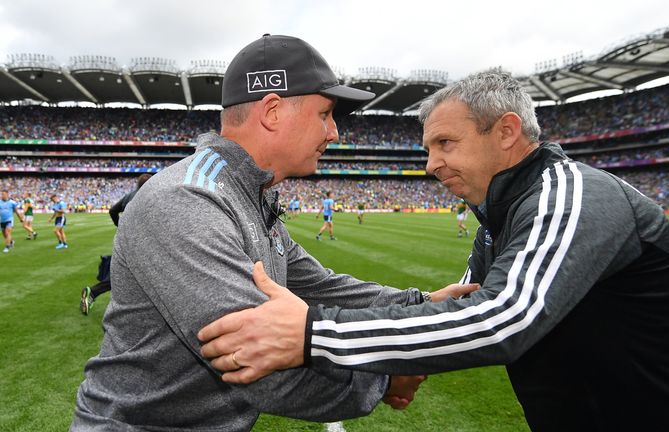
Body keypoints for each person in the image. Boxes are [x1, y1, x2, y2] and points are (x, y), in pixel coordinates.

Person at [198, 70, 669, 432]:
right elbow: (462, 312)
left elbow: (503, 319)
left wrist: (314, 334)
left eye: (445, 144)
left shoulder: (572, 195)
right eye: (429, 148)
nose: (430, 165)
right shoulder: (497, 220)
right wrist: (396, 366)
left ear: (506, 131)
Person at [71, 34, 476, 431]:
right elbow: (249, 356)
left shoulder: (249, 195)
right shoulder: (187, 199)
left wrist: (419, 303)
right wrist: (386, 379)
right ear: (273, 111)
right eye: (325, 114)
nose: (334, 133)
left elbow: (319, 287)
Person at [80, 174, 153, 316]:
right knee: (136, 273)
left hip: (126, 239)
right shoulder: (149, 196)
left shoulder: (129, 196)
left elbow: (113, 210)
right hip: (140, 241)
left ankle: (95, 292)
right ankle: (94, 292)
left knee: (129, 273)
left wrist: (119, 226)